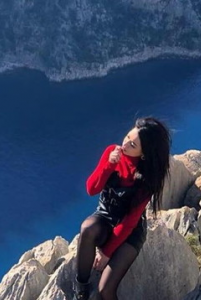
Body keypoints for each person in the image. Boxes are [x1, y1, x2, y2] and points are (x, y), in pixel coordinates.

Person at [72, 117, 171, 300]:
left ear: (144, 154)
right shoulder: (112, 152)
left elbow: (130, 221)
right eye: (127, 137)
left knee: (106, 290)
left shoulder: (148, 178)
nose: (125, 144)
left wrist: (106, 252)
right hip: (105, 214)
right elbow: (91, 189)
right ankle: (81, 288)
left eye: (132, 144)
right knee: (87, 228)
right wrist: (109, 164)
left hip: (130, 232)